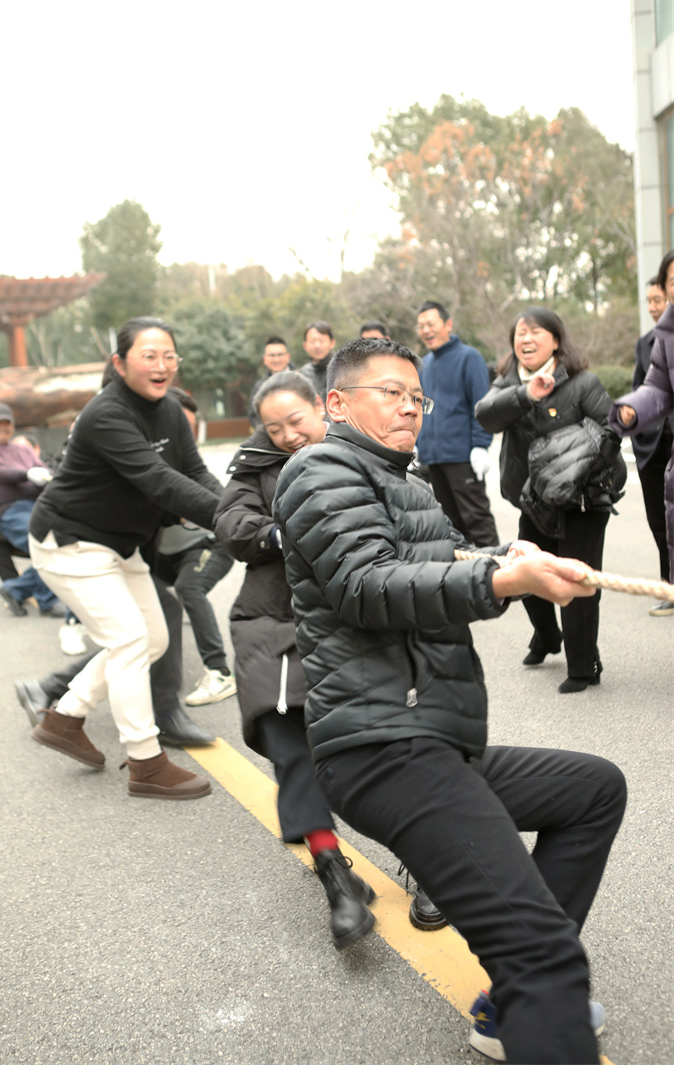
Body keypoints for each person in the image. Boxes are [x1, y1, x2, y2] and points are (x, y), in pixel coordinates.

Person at [272, 337, 626, 1065]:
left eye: (416, 395)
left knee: (593, 790)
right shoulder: (319, 470)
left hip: (427, 739)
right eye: (390, 392)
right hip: (383, 747)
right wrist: (504, 581)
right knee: (546, 957)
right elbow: (368, 585)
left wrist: (510, 558)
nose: (409, 404)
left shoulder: (399, 481)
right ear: (336, 403)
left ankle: (508, 1004)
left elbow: (434, 559)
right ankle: (529, 982)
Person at [27, 316, 223, 801]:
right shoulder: (105, 413)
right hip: (70, 541)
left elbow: (193, 470)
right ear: (119, 363)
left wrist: (239, 510)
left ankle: (66, 718)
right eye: (148, 356)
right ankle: (146, 762)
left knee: (152, 637)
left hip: (120, 543)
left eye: (169, 357)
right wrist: (231, 519)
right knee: (131, 640)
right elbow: (158, 480)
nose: (161, 366)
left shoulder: (171, 411)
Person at [214, 370, 377, 948]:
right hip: (275, 622)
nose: (286, 435)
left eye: (296, 421)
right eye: (274, 426)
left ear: (323, 406)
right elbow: (232, 525)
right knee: (290, 740)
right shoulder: (252, 469)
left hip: (361, 619)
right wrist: (284, 533)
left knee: (389, 746)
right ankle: (335, 876)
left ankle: (433, 866)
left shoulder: (367, 450)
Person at [476, 308, 625, 693]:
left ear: (556, 340)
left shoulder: (583, 382)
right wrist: (526, 394)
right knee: (521, 571)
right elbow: (486, 417)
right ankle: (546, 635)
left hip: (583, 499)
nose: (525, 339)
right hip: (534, 500)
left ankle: (583, 665)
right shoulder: (509, 383)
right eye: (519, 333)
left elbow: (612, 430)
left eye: (535, 332)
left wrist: (574, 463)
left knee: (577, 579)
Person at [15, 574, 216, 749]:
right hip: (92, 548)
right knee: (152, 624)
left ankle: (54, 694)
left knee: (139, 636)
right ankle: (155, 734)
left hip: (112, 548)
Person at [154, 387, 237, 706]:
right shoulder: (141, 454)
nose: (182, 436)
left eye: (187, 429)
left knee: (189, 588)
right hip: (161, 555)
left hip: (206, 546)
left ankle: (219, 671)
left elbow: (221, 499)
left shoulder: (187, 463)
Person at [610, 249, 674, 609]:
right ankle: (669, 585)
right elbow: (653, 389)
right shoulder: (658, 340)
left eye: (657, 298)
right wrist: (629, 411)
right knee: (662, 523)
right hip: (655, 447)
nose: (653, 305)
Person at [415, 301, 499, 547]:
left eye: (431, 324)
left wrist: (480, 445)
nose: (426, 330)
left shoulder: (469, 357)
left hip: (462, 456)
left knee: (477, 520)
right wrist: (417, 443)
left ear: (447, 324)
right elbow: (420, 407)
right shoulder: (424, 364)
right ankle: (465, 579)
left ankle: (498, 578)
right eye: (421, 326)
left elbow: (482, 405)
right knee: (449, 525)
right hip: (432, 458)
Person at [0, 403, 64, 617]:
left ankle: (16, 588)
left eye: (6, 423)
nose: (2, 427)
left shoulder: (21, 449)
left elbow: (45, 471)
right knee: (44, 545)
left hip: (39, 505)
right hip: (12, 510)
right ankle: (46, 600)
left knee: (64, 541)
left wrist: (46, 476)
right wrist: (27, 474)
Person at [247, 337, 293, 425]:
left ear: (288, 357)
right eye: (272, 355)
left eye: (280, 355)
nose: (276, 359)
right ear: (265, 359)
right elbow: (254, 416)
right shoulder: (260, 387)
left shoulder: (303, 378)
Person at [298, 321, 336, 407]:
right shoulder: (302, 375)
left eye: (321, 341)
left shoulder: (344, 368)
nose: (317, 345)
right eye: (312, 342)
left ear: (332, 343)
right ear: (305, 346)